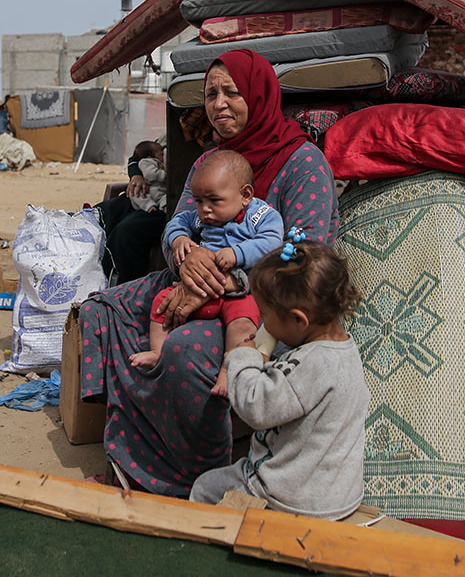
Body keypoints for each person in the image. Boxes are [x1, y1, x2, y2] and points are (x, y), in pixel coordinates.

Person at [78, 49, 339, 497]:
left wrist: (226, 279)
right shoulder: (208, 162)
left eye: (232, 92)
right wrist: (183, 251)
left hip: (263, 298)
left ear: (258, 95)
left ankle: (191, 479)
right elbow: (178, 223)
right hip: (192, 277)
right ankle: (132, 459)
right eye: (211, 93)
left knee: (183, 350)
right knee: (101, 310)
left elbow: (305, 252)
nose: (219, 103)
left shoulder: (301, 163)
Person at [189, 239, 366, 519]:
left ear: (299, 320)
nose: (263, 323)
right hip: (335, 494)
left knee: (205, 488)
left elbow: (256, 408)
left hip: (291, 498)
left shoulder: (311, 364)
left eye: (266, 314)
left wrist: (242, 359)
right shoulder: (344, 350)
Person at [131, 150, 284, 397]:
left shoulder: (260, 216)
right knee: (161, 303)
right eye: (199, 201)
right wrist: (179, 237)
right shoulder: (202, 218)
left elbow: (272, 242)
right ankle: (158, 352)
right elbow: (177, 222)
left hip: (239, 293)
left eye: (214, 201)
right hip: (199, 289)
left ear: (245, 195)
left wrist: (237, 253)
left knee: (243, 326)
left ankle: (228, 372)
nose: (205, 210)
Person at [97, 139, 168, 283]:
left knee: (125, 231)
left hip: (165, 203)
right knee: (102, 213)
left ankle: (124, 287)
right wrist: (136, 175)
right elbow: (137, 157)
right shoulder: (164, 138)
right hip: (143, 195)